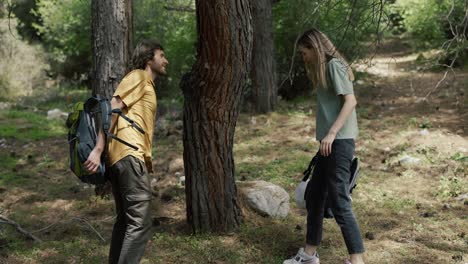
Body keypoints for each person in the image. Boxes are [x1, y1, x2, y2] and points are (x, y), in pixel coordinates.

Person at [284, 29, 365, 264]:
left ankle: (357, 260)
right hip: (329, 143)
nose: (303, 57)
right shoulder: (325, 70)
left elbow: (351, 101)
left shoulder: (334, 66)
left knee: (339, 200)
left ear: (315, 47)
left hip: (337, 142)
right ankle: (309, 255)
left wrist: (331, 133)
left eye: (304, 52)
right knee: (315, 196)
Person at [83, 40, 169, 264]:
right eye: (161, 55)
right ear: (149, 59)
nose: (165, 60)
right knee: (139, 223)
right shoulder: (139, 76)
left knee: (126, 221)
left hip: (124, 156)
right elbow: (112, 107)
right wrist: (98, 148)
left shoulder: (146, 83)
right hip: (128, 154)